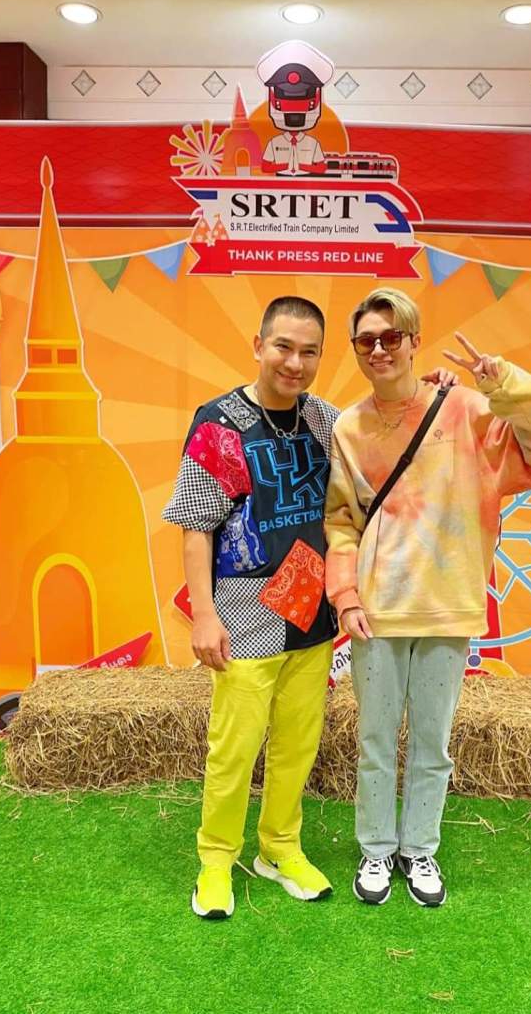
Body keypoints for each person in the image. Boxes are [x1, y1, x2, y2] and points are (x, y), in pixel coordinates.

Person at [324, 287, 531, 908]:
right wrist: (345, 594)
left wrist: (502, 383)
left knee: (432, 743)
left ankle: (419, 848)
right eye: (366, 341)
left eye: (391, 337)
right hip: (377, 610)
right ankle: (377, 849)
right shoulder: (348, 427)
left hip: (448, 603)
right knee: (376, 742)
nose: (379, 350)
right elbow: (341, 520)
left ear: (413, 340)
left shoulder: (464, 408)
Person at [163, 296, 338, 919]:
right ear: (258, 345)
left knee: (298, 743)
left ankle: (280, 848)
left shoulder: (325, 420)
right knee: (234, 746)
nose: (295, 362)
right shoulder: (221, 422)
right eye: (283, 346)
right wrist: (204, 614)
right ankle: (216, 860)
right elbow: (196, 527)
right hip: (242, 613)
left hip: (312, 612)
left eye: (309, 351)